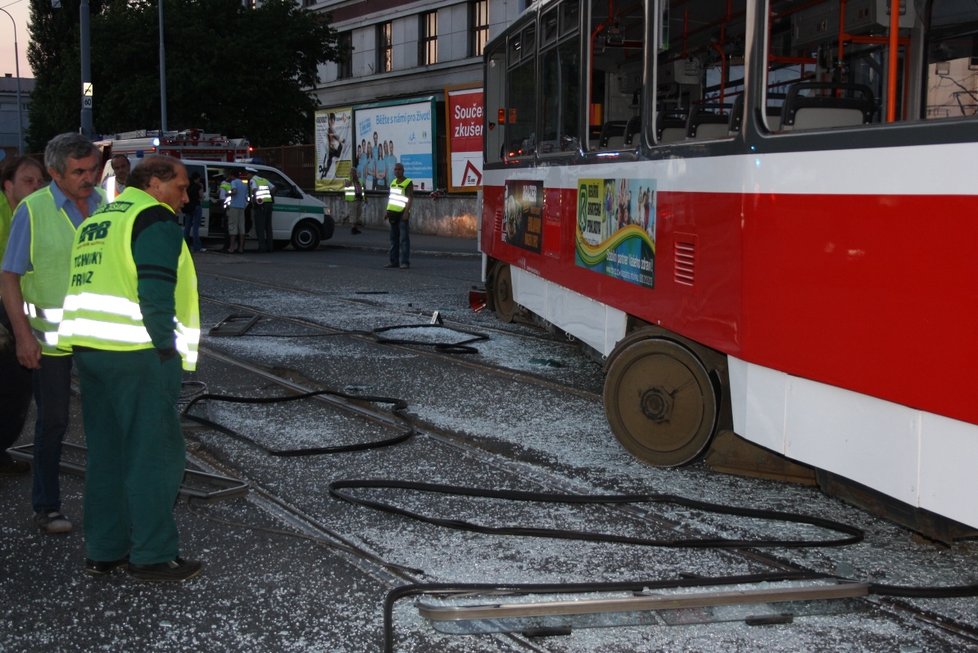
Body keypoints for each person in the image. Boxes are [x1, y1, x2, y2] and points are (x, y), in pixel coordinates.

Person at [57, 155, 202, 582]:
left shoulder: (101, 219)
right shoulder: (153, 219)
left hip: (90, 350)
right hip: (136, 352)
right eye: (181, 185)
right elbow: (155, 291)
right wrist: (166, 351)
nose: (186, 195)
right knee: (154, 455)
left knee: (107, 455)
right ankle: (153, 554)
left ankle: (104, 550)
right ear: (155, 183)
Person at [0, 133, 104, 534]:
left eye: (93, 169)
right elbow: (10, 278)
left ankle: (105, 502)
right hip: (49, 341)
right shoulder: (33, 210)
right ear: (55, 172)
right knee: (54, 422)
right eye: (79, 171)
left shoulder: (103, 206)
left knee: (103, 420)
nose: (89, 178)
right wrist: (23, 337)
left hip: (98, 337)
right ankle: (47, 505)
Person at [0, 156, 45, 476]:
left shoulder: (34, 213)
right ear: (8, 186)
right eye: (28, 181)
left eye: (40, 181)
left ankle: (1, 450)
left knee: (17, 389)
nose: (36, 187)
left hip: (19, 309)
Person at [384, 162, 413, 269]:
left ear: (403, 170)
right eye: (395, 169)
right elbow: (392, 198)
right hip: (393, 213)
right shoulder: (393, 182)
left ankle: (405, 262)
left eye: (399, 169)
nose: (397, 171)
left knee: (404, 239)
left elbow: (410, 198)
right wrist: (387, 212)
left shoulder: (407, 182)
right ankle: (393, 261)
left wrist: (406, 212)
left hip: (402, 214)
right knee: (393, 239)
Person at [249, 168, 275, 252]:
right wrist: (269, 195)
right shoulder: (264, 180)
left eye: (247, 174)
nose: (247, 176)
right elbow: (274, 188)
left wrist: (257, 200)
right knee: (268, 227)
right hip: (269, 204)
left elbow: (254, 190)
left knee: (260, 227)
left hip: (261, 205)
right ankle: (270, 247)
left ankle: (262, 247)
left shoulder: (253, 180)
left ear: (251, 174)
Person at [226, 169, 250, 253]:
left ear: (232, 176)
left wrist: (228, 194)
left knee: (232, 226)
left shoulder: (233, 182)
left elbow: (234, 191)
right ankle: (241, 248)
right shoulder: (244, 184)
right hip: (242, 207)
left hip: (234, 206)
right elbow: (246, 196)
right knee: (241, 228)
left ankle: (231, 248)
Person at [182, 171, 204, 252]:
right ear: (197, 178)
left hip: (188, 208)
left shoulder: (188, 186)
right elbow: (201, 197)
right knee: (195, 228)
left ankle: (185, 246)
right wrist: (201, 187)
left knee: (187, 227)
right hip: (196, 207)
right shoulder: (198, 186)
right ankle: (197, 246)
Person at [344, 168, 365, 235]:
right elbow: (347, 185)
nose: (353, 174)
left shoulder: (359, 180)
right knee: (353, 214)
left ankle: (355, 227)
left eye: (354, 172)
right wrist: (352, 179)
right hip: (352, 200)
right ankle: (353, 229)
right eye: (352, 172)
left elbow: (362, 189)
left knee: (358, 213)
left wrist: (364, 198)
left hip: (359, 199)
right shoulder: (347, 180)